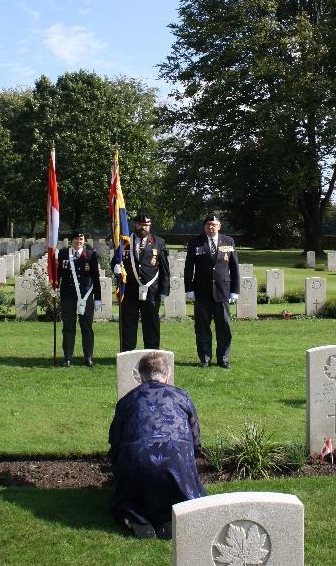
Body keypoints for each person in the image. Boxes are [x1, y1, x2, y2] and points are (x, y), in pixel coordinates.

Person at [108, 351, 206, 539]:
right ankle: (174, 515)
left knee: (129, 496)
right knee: (186, 495)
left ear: (141, 377)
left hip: (137, 464)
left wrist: (116, 466)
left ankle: (136, 518)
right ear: (167, 376)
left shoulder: (127, 401)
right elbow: (195, 440)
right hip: (177, 464)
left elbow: (116, 441)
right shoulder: (182, 397)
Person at [184, 215, 240, 368]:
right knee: (202, 327)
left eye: (214, 225)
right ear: (205, 226)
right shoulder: (196, 242)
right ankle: (205, 358)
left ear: (219, 226)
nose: (211, 227)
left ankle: (223, 358)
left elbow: (234, 267)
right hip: (201, 291)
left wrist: (235, 290)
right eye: (208, 224)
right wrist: (188, 288)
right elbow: (189, 267)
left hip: (222, 291)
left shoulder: (228, 241)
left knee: (224, 327)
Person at [112, 212, 170, 351]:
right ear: (135, 225)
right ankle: (127, 353)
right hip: (129, 291)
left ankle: (151, 354)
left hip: (151, 292)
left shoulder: (158, 242)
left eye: (146, 225)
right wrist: (115, 268)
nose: (143, 227)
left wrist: (164, 290)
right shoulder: (124, 242)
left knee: (151, 324)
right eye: (140, 224)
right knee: (128, 324)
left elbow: (164, 268)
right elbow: (115, 261)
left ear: (150, 226)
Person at [57, 232, 102, 367]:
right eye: (76, 238)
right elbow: (58, 272)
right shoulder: (63, 254)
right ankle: (67, 357)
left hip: (85, 296)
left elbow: (95, 277)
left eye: (81, 239)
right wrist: (54, 285)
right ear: (72, 240)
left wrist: (97, 298)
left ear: (84, 240)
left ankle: (88, 356)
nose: (78, 241)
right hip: (68, 296)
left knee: (87, 328)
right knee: (68, 327)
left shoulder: (90, 255)